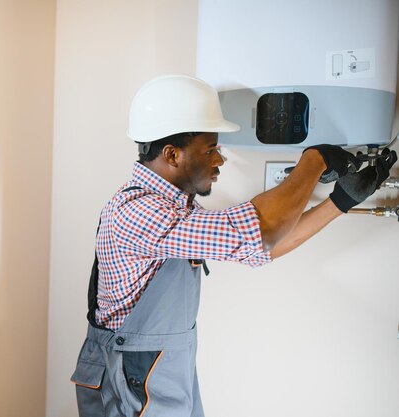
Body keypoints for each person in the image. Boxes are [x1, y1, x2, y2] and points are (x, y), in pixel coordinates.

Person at [70, 74, 397, 417]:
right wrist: (313, 160)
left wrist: (340, 201)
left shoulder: (175, 209)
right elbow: (263, 230)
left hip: (160, 370)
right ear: (172, 154)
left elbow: (262, 247)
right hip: (134, 380)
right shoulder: (139, 213)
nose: (219, 161)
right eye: (211, 149)